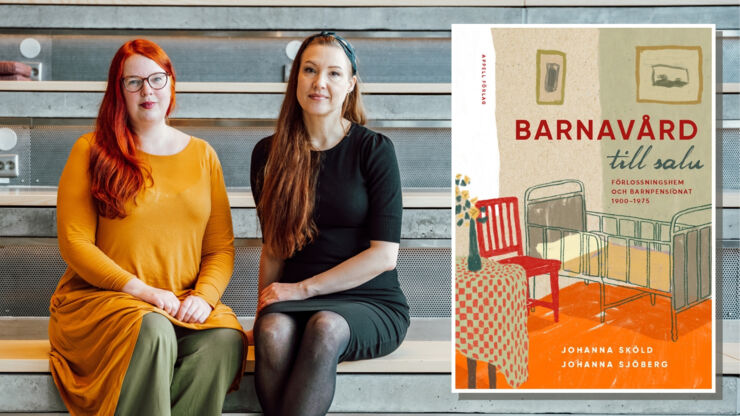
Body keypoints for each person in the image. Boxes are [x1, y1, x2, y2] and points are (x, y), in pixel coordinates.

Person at [48, 39, 246, 415]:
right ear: (117, 91)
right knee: (153, 330)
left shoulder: (203, 155)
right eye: (133, 82)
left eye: (157, 79)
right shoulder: (90, 150)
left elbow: (219, 248)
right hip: (106, 302)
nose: (147, 91)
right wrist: (145, 292)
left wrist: (203, 298)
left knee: (224, 339)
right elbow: (75, 243)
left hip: (180, 300)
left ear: (171, 83)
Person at [250, 32, 409, 416]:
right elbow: (274, 248)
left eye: (334, 73)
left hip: (369, 301)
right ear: (296, 79)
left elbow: (384, 256)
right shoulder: (268, 154)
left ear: (350, 85)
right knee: (271, 333)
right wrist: (262, 312)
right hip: (293, 298)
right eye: (310, 70)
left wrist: (303, 290)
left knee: (326, 326)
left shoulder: (374, 150)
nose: (320, 82)